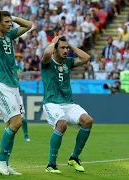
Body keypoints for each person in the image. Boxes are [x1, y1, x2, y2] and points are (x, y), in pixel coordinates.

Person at [0, 10, 32, 175]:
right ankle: (1, 160)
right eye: (7, 22)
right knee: (16, 122)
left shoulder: (9, 35)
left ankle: (6, 163)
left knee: (14, 124)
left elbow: (29, 25)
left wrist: (12, 17)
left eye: (11, 22)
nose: (11, 24)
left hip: (13, 85)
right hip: (0, 84)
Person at [41, 35, 93, 174]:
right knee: (62, 124)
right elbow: (46, 53)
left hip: (68, 104)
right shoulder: (47, 62)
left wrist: (70, 45)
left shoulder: (68, 62)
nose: (66, 51)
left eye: (66, 48)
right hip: (52, 103)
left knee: (88, 121)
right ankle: (51, 164)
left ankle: (74, 158)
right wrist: (53, 42)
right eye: (62, 48)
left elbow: (86, 58)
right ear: (55, 50)